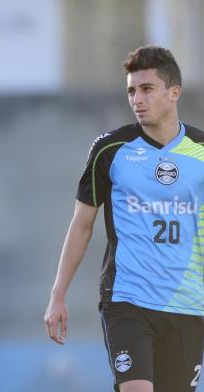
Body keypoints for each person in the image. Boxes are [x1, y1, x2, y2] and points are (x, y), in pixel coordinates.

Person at [44, 45, 204, 392]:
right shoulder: (110, 149)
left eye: (146, 89)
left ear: (174, 92)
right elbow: (81, 224)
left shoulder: (201, 151)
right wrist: (58, 295)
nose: (137, 99)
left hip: (188, 303)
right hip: (127, 299)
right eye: (131, 90)